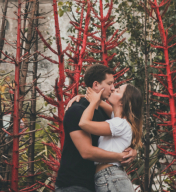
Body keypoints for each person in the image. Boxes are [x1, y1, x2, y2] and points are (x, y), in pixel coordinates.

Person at [55, 64, 136, 192]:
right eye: (109, 83)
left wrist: (133, 151)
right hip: (74, 184)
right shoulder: (77, 110)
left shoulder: (104, 113)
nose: (113, 88)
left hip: (97, 183)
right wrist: (120, 157)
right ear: (96, 85)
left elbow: (126, 125)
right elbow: (86, 151)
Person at [78, 83, 143, 192]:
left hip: (111, 177)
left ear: (122, 102)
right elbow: (104, 105)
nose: (113, 89)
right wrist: (83, 97)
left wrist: (93, 102)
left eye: (117, 91)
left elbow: (84, 123)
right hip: (111, 177)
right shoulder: (119, 121)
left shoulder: (119, 124)